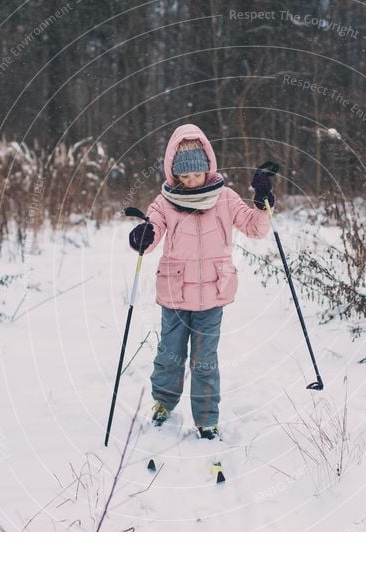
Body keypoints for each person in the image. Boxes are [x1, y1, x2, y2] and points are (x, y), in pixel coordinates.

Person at [128, 123, 276, 440]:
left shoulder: (225, 198)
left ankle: (207, 420)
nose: (191, 180)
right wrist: (142, 236)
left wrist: (262, 200)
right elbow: (151, 233)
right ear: (174, 173)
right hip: (175, 294)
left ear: (208, 168)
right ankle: (163, 405)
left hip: (213, 294)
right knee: (170, 354)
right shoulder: (165, 201)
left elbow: (255, 228)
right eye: (185, 175)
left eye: (196, 174)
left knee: (205, 360)